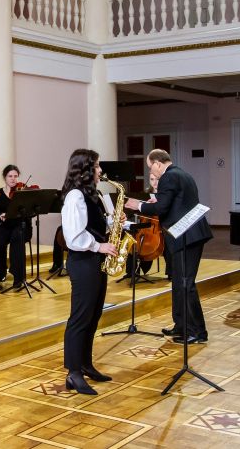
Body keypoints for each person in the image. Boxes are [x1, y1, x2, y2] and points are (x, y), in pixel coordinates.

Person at [125, 149, 212, 345]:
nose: (151, 172)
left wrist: (138, 205)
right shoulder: (182, 174)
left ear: (158, 163)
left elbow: (161, 208)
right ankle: (181, 326)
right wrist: (157, 200)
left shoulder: (168, 177)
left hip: (186, 236)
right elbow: (176, 203)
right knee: (179, 283)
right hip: (188, 234)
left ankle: (198, 332)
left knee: (186, 284)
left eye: (150, 168)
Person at [60, 149, 118, 395]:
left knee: (93, 316)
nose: (100, 170)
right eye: (96, 166)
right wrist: (98, 246)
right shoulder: (75, 196)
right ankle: (73, 373)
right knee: (80, 317)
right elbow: (73, 236)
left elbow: (95, 225)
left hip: (95, 261)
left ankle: (85, 364)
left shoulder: (93, 194)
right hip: (83, 261)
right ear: (84, 169)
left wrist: (114, 223)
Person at [0, 165, 33, 288]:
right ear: (5, 177)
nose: (13, 179)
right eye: (10, 176)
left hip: (21, 226)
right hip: (3, 226)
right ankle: (2, 271)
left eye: (15, 176)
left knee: (17, 237)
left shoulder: (22, 192)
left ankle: (18, 276)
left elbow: (32, 210)